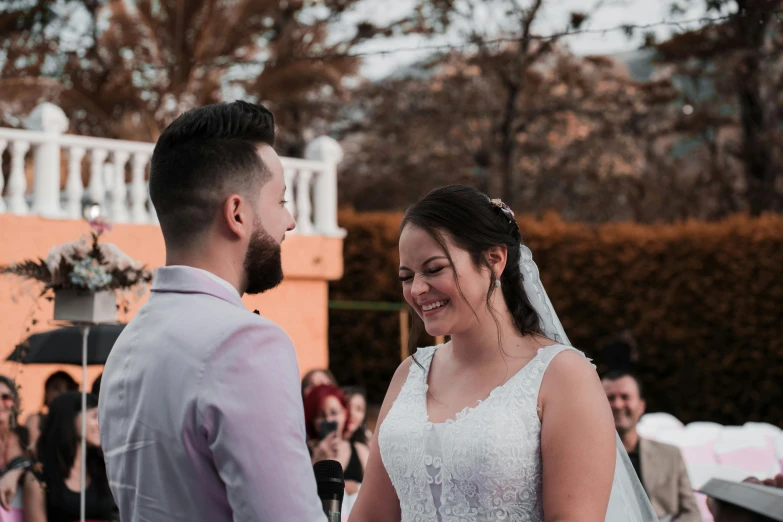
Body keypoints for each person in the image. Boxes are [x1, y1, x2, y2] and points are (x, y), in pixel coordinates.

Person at [348, 185, 656, 522]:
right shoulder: (410, 373)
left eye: (434, 269)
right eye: (406, 276)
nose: (417, 289)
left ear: (494, 260)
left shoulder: (564, 375)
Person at [97, 101, 323, 522]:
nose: (289, 222)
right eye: (281, 201)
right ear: (237, 213)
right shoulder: (246, 343)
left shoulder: (126, 346)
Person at [602, 371, 701, 522]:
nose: (618, 404)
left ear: (641, 406)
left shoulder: (671, 455)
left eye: (625, 397)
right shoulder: (585, 459)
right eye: (610, 398)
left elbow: (692, 513)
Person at [19, 391, 117, 522]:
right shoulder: (39, 477)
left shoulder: (103, 469)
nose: (100, 423)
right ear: (70, 419)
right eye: (94, 416)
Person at [305, 384, 369, 495]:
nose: (329, 419)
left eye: (334, 413)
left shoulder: (360, 451)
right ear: (313, 420)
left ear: (344, 413)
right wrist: (316, 460)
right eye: (321, 415)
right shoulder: (304, 451)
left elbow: (376, 493)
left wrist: (356, 488)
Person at [25, 371, 78, 451]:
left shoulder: (77, 422)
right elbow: (32, 450)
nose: (62, 393)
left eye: (67, 389)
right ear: (46, 392)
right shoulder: (36, 420)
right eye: (56, 388)